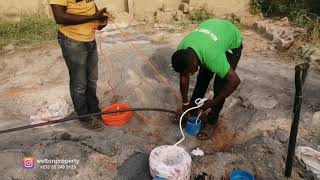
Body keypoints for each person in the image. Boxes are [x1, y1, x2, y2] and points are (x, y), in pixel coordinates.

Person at [171, 19, 243, 136]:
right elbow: (183, 77)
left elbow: (235, 81)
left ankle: (211, 121)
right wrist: (185, 102)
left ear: (195, 62)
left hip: (231, 42)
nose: (190, 74)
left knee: (220, 85)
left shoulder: (212, 56)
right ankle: (192, 111)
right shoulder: (182, 50)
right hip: (212, 35)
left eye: (190, 72)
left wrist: (213, 102)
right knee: (202, 79)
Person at [50, 0, 108, 130]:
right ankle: (84, 117)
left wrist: (100, 21)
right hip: (72, 40)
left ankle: (94, 109)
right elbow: (60, 17)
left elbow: (89, 7)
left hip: (89, 38)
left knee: (92, 79)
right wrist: (94, 17)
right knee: (79, 83)